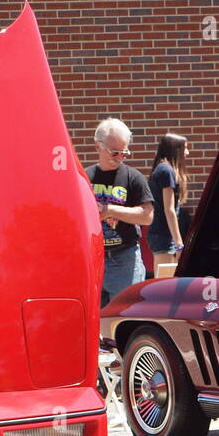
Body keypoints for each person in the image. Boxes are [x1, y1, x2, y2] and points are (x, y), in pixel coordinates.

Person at [86, 118, 153, 306]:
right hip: (93, 259)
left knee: (124, 315)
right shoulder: (85, 178)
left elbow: (147, 216)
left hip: (125, 258)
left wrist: (110, 210)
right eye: (115, 152)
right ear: (98, 147)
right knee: (94, 317)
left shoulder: (133, 177)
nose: (120, 157)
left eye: (124, 152)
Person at [145, 133, 189, 270]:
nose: (187, 152)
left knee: (166, 279)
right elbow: (169, 209)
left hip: (162, 234)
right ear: (176, 150)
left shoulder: (163, 169)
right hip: (163, 235)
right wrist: (179, 244)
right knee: (163, 280)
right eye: (185, 148)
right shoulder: (166, 170)